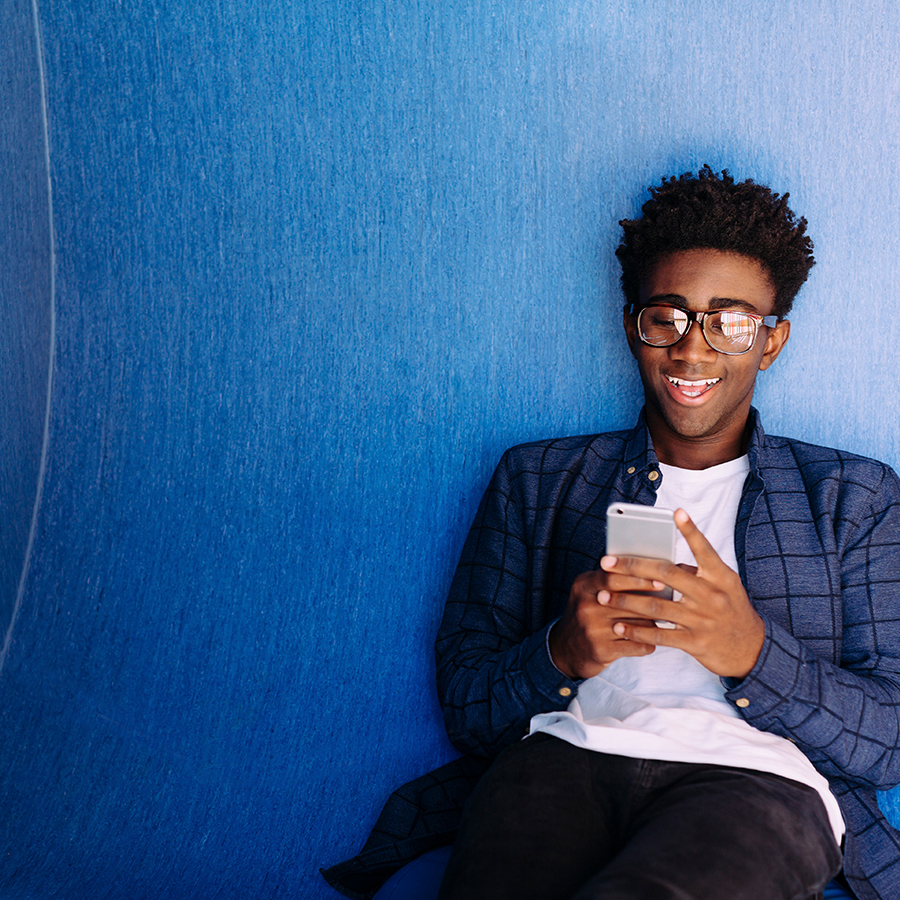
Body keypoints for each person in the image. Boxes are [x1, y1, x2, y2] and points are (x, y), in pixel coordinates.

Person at [320, 168, 900, 900]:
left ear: (772, 340)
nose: (693, 351)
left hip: (761, 783)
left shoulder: (853, 497)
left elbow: (891, 738)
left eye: (731, 321)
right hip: (564, 758)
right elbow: (468, 704)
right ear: (635, 325)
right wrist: (562, 648)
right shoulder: (538, 479)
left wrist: (751, 652)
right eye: (669, 317)